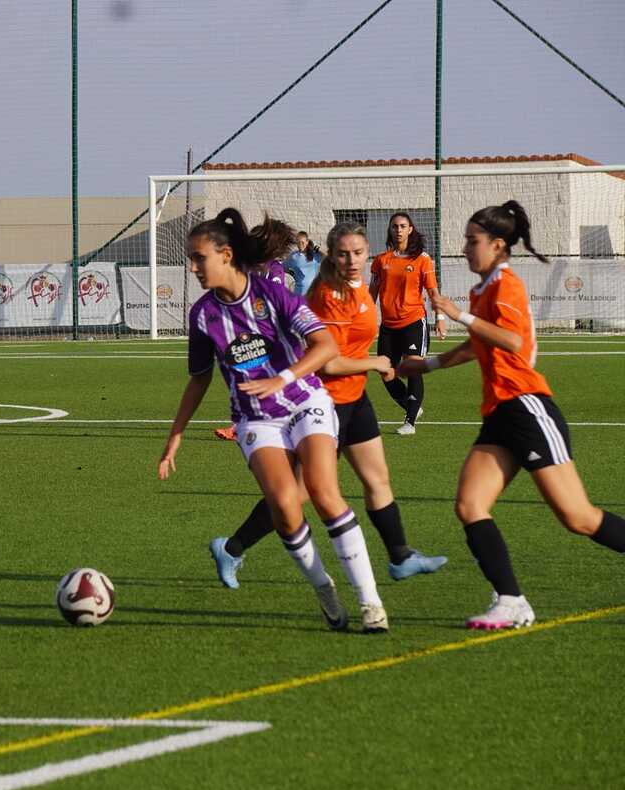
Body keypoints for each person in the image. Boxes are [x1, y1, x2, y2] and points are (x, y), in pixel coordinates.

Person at [159, 207, 389, 633]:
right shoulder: (202, 315)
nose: (192, 267)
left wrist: (281, 378)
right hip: (255, 419)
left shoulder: (272, 294)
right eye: (191, 259)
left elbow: (323, 346)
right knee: (284, 506)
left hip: (305, 402)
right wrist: (175, 435)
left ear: (225, 255)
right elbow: (198, 380)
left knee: (322, 491)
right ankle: (324, 588)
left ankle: (371, 604)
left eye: (198, 258)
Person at [399, 201, 625, 629]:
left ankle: (511, 599)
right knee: (470, 504)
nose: (464, 248)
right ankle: (511, 600)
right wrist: (428, 365)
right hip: (500, 413)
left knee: (578, 517)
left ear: (498, 245)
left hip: (527, 407)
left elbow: (512, 342)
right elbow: (479, 345)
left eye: (472, 241)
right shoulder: (482, 289)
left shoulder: (507, 284)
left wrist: (458, 315)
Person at [208, 221, 447, 589]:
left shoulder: (362, 290)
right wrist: (376, 363)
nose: (352, 260)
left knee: (377, 479)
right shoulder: (327, 297)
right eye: (343, 253)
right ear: (331, 255)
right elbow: (328, 362)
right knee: (298, 494)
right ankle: (233, 548)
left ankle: (400, 556)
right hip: (324, 403)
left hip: (355, 398)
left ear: (368, 253)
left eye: (358, 253)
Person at [213, 217, 297, 442]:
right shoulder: (247, 268)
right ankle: (243, 424)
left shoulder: (275, 271)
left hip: (272, 337)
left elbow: (273, 305)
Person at [369, 212, 447, 436]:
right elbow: (371, 293)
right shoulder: (381, 260)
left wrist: (440, 318)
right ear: (390, 230)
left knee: (412, 367)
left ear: (410, 229)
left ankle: (410, 422)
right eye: (395, 226)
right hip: (388, 326)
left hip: (413, 321)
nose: (399, 230)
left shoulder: (422, 259)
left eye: (403, 226)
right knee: (385, 371)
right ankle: (412, 406)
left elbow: (433, 291)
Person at [285, 231, 323, 296]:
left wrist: (316, 248)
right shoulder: (293, 256)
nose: (300, 245)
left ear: (307, 242)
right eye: (298, 242)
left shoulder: (315, 255)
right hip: (299, 294)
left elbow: (329, 257)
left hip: (313, 294)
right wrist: (291, 273)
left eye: (302, 242)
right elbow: (282, 267)